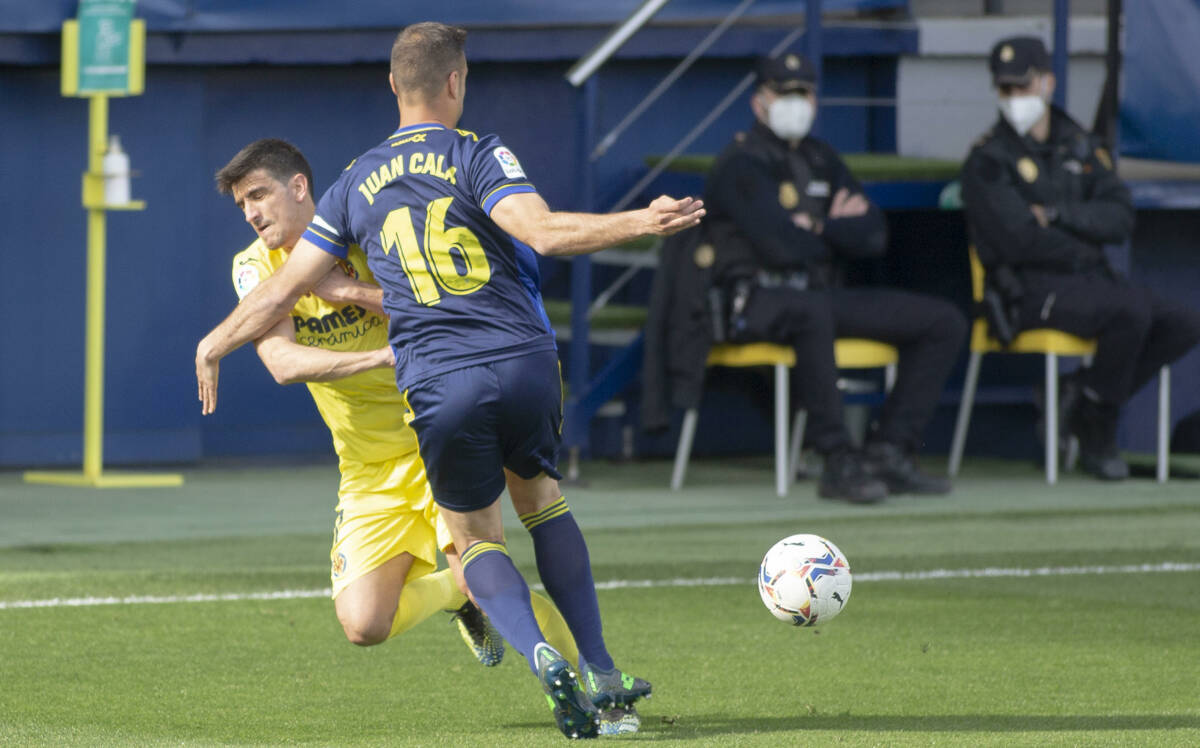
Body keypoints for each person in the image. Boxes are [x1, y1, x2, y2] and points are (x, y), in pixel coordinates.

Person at [196, 24, 703, 740]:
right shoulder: (478, 152)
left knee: (481, 540)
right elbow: (546, 234)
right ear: (456, 82)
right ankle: (600, 673)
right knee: (535, 511)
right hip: (505, 368)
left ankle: (549, 662)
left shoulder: (351, 193)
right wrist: (642, 221)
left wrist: (215, 342)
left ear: (392, 88)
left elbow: (289, 303)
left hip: (435, 394)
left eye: (257, 196)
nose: (250, 214)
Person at [212, 138, 597, 713]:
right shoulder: (253, 267)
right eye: (242, 204)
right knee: (364, 624)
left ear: (299, 187)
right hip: (366, 466)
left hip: (436, 431)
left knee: (479, 572)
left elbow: (429, 300)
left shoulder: (365, 232)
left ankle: (592, 686)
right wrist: (377, 358)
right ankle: (454, 598)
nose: (252, 214)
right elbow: (283, 363)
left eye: (259, 195)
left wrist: (344, 291)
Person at [703, 53, 966, 504]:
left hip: (820, 293)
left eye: (803, 92)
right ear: (759, 102)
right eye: (784, 93)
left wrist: (817, 228)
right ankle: (837, 457)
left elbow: (874, 235)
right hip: (757, 297)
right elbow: (779, 246)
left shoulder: (822, 157)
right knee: (812, 312)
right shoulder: (740, 163)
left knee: (943, 321)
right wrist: (832, 230)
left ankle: (890, 450)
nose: (795, 102)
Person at [961, 36, 1200, 480]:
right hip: (1028, 291)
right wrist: (1082, 238)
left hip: (1091, 281)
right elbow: (1019, 242)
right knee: (1129, 310)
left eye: (1023, 87)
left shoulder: (1080, 145)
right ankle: (1098, 427)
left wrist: (1056, 215)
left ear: (1047, 83)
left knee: (1182, 322)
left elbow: (1120, 218)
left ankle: (1084, 396)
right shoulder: (987, 159)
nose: (1015, 99)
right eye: (1006, 90)